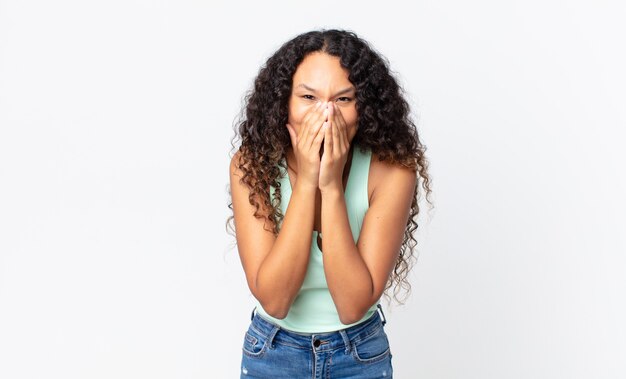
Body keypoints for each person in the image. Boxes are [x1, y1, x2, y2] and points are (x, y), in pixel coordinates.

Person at [227, 29, 433, 378]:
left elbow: (353, 306)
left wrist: (332, 186)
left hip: (359, 354)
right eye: (308, 97)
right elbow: (275, 301)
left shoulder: (393, 172)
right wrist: (307, 182)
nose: (325, 115)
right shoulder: (251, 166)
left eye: (343, 100)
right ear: (284, 103)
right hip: (274, 351)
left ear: (364, 108)